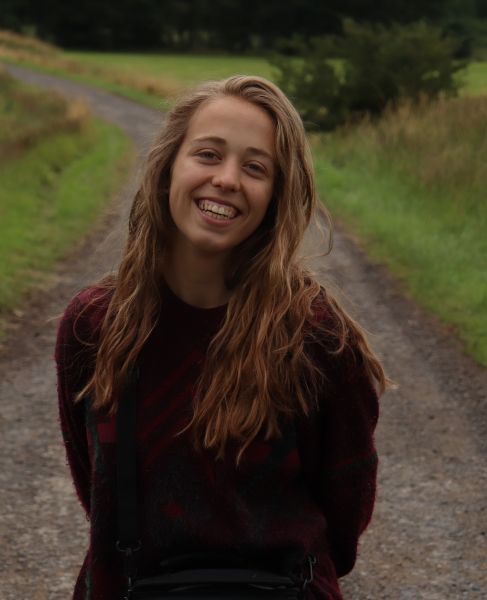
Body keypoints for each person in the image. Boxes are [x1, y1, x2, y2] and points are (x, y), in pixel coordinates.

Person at [55, 75, 387, 600]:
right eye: (208, 154)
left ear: (277, 195)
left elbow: (345, 509)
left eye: (256, 167)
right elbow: (101, 494)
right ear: (168, 166)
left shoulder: (317, 338)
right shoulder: (94, 326)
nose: (227, 179)